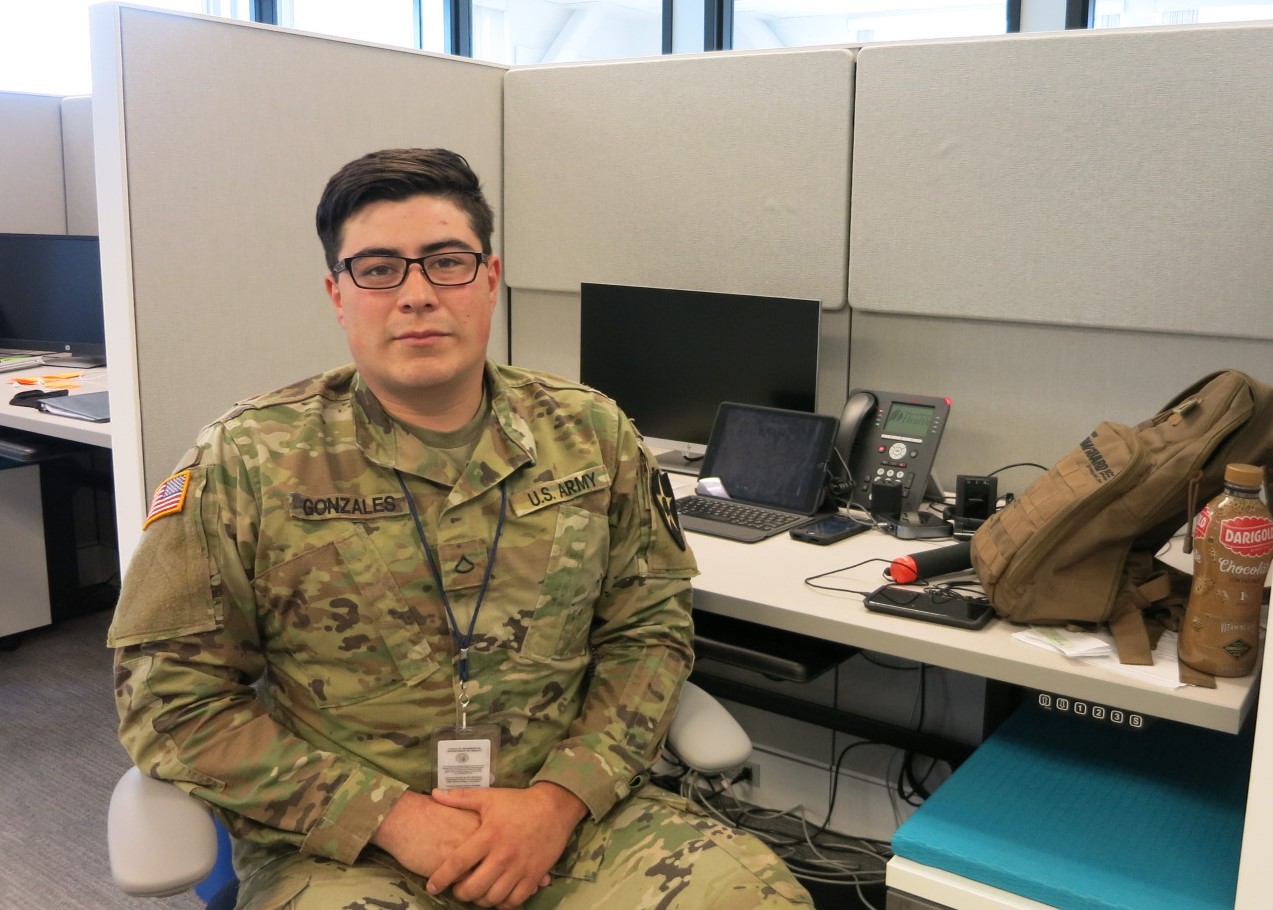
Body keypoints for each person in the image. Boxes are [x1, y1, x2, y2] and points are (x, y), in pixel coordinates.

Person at [109, 147, 813, 910]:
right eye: (378, 269)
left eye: (446, 263)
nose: (416, 295)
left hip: (575, 826)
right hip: (350, 848)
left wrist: (558, 801)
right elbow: (170, 699)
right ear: (337, 294)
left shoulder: (593, 436)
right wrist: (392, 819)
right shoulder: (247, 459)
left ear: (489, 278)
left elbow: (648, 637)